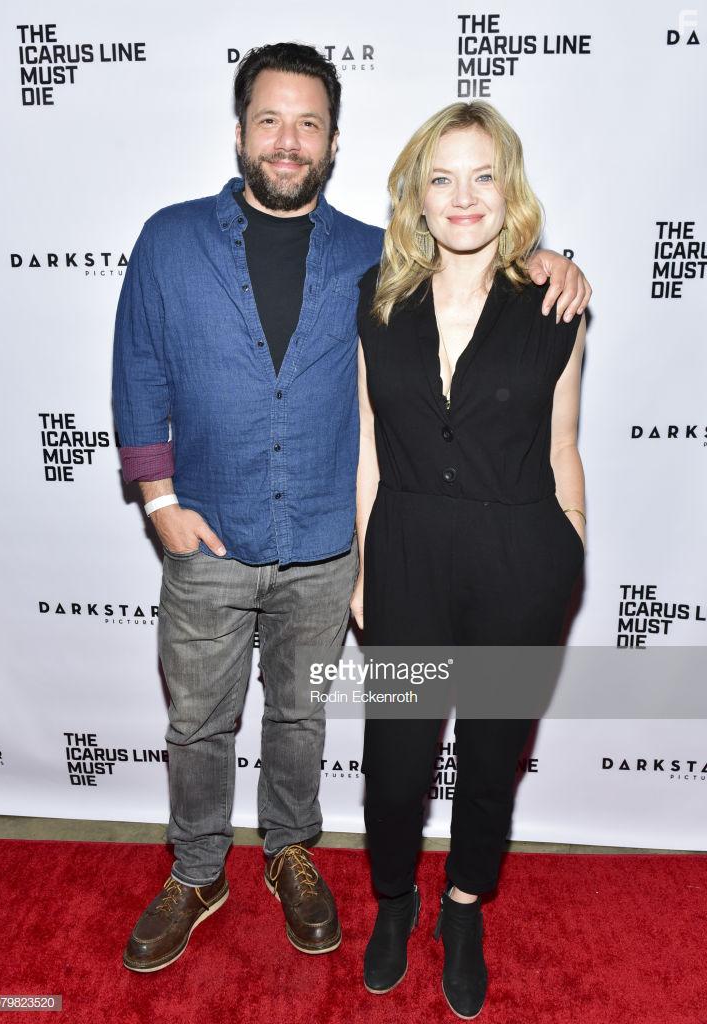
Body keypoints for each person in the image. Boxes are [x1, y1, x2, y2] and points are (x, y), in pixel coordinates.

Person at [112, 41, 590, 974]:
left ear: (333, 143)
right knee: (199, 723)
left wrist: (548, 257)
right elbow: (138, 367)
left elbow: (471, 246)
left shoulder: (374, 259)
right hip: (212, 536)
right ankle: (198, 871)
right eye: (270, 120)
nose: (288, 141)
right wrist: (157, 499)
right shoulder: (171, 239)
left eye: (309, 124)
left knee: (302, 719)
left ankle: (293, 854)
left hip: (331, 545)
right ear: (240, 131)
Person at [353, 100, 588, 1018]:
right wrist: (365, 570)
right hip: (407, 554)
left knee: (491, 758)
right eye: (442, 178)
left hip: (520, 562)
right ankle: (395, 899)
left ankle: (461, 907)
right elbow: (369, 448)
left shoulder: (554, 304)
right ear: (416, 195)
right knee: (395, 762)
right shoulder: (379, 301)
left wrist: (569, 545)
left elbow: (564, 444)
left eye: (483, 176)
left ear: (509, 189)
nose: (463, 196)